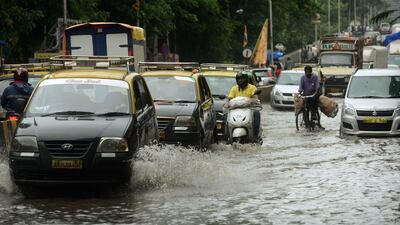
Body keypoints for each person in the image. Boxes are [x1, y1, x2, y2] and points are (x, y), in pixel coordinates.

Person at [227, 71, 261, 140]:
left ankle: (255, 136)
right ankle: (227, 136)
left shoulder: (252, 88)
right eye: (239, 79)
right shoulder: (234, 88)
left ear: (246, 79)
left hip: (249, 109)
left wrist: (252, 101)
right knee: (225, 116)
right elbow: (230, 99)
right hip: (235, 110)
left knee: (257, 113)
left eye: (242, 79)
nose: (240, 80)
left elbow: (255, 98)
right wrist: (227, 104)